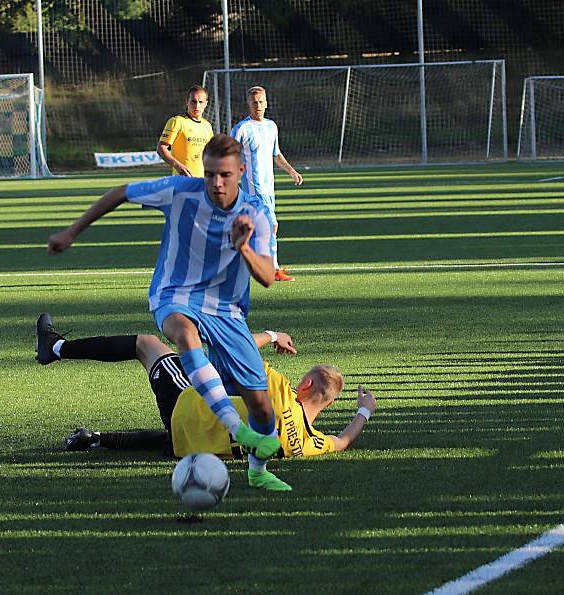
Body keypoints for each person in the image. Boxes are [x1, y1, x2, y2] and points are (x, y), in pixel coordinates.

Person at [48, 134, 290, 491]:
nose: (216, 183)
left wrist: (244, 248)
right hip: (174, 293)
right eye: (209, 174)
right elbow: (121, 192)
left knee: (262, 408)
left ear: (241, 171)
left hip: (227, 311)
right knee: (183, 332)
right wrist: (72, 231)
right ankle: (235, 428)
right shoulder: (181, 191)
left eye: (224, 175)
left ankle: (257, 471)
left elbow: (268, 277)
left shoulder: (257, 213)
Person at [35, 314, 377, 459]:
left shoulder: (279, 392)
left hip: (185, 407)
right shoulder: (308, 443)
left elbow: (239, 347)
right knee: (194, 427)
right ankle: (93, 440)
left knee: (147, 343)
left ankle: (55, 348)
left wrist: (273, 335)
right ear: (328, 404)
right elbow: (343, 440)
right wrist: (364, 411)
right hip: (191, 450)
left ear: (305, 384)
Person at [231, 86, 303, 282]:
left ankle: (239, 263)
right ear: (248, 103)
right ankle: (273, 269)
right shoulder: (241, 129)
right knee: (272, 225)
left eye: (261, 101)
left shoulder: (271, 126)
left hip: (269, 188)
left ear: (267, 103)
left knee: (257, 228)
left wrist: (291, 171)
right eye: (254, 102)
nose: (258, 105)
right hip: (253, 188)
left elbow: (276, 154)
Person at [156, 85, 213, 177]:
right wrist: (177, 166)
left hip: (203, 182)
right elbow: (161, 148)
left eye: (200, 102)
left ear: (206, 104)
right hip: (182, 182)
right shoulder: (177, 121)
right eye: (193, 102)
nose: (197, 106)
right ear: (187, 102)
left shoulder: (207, 126)